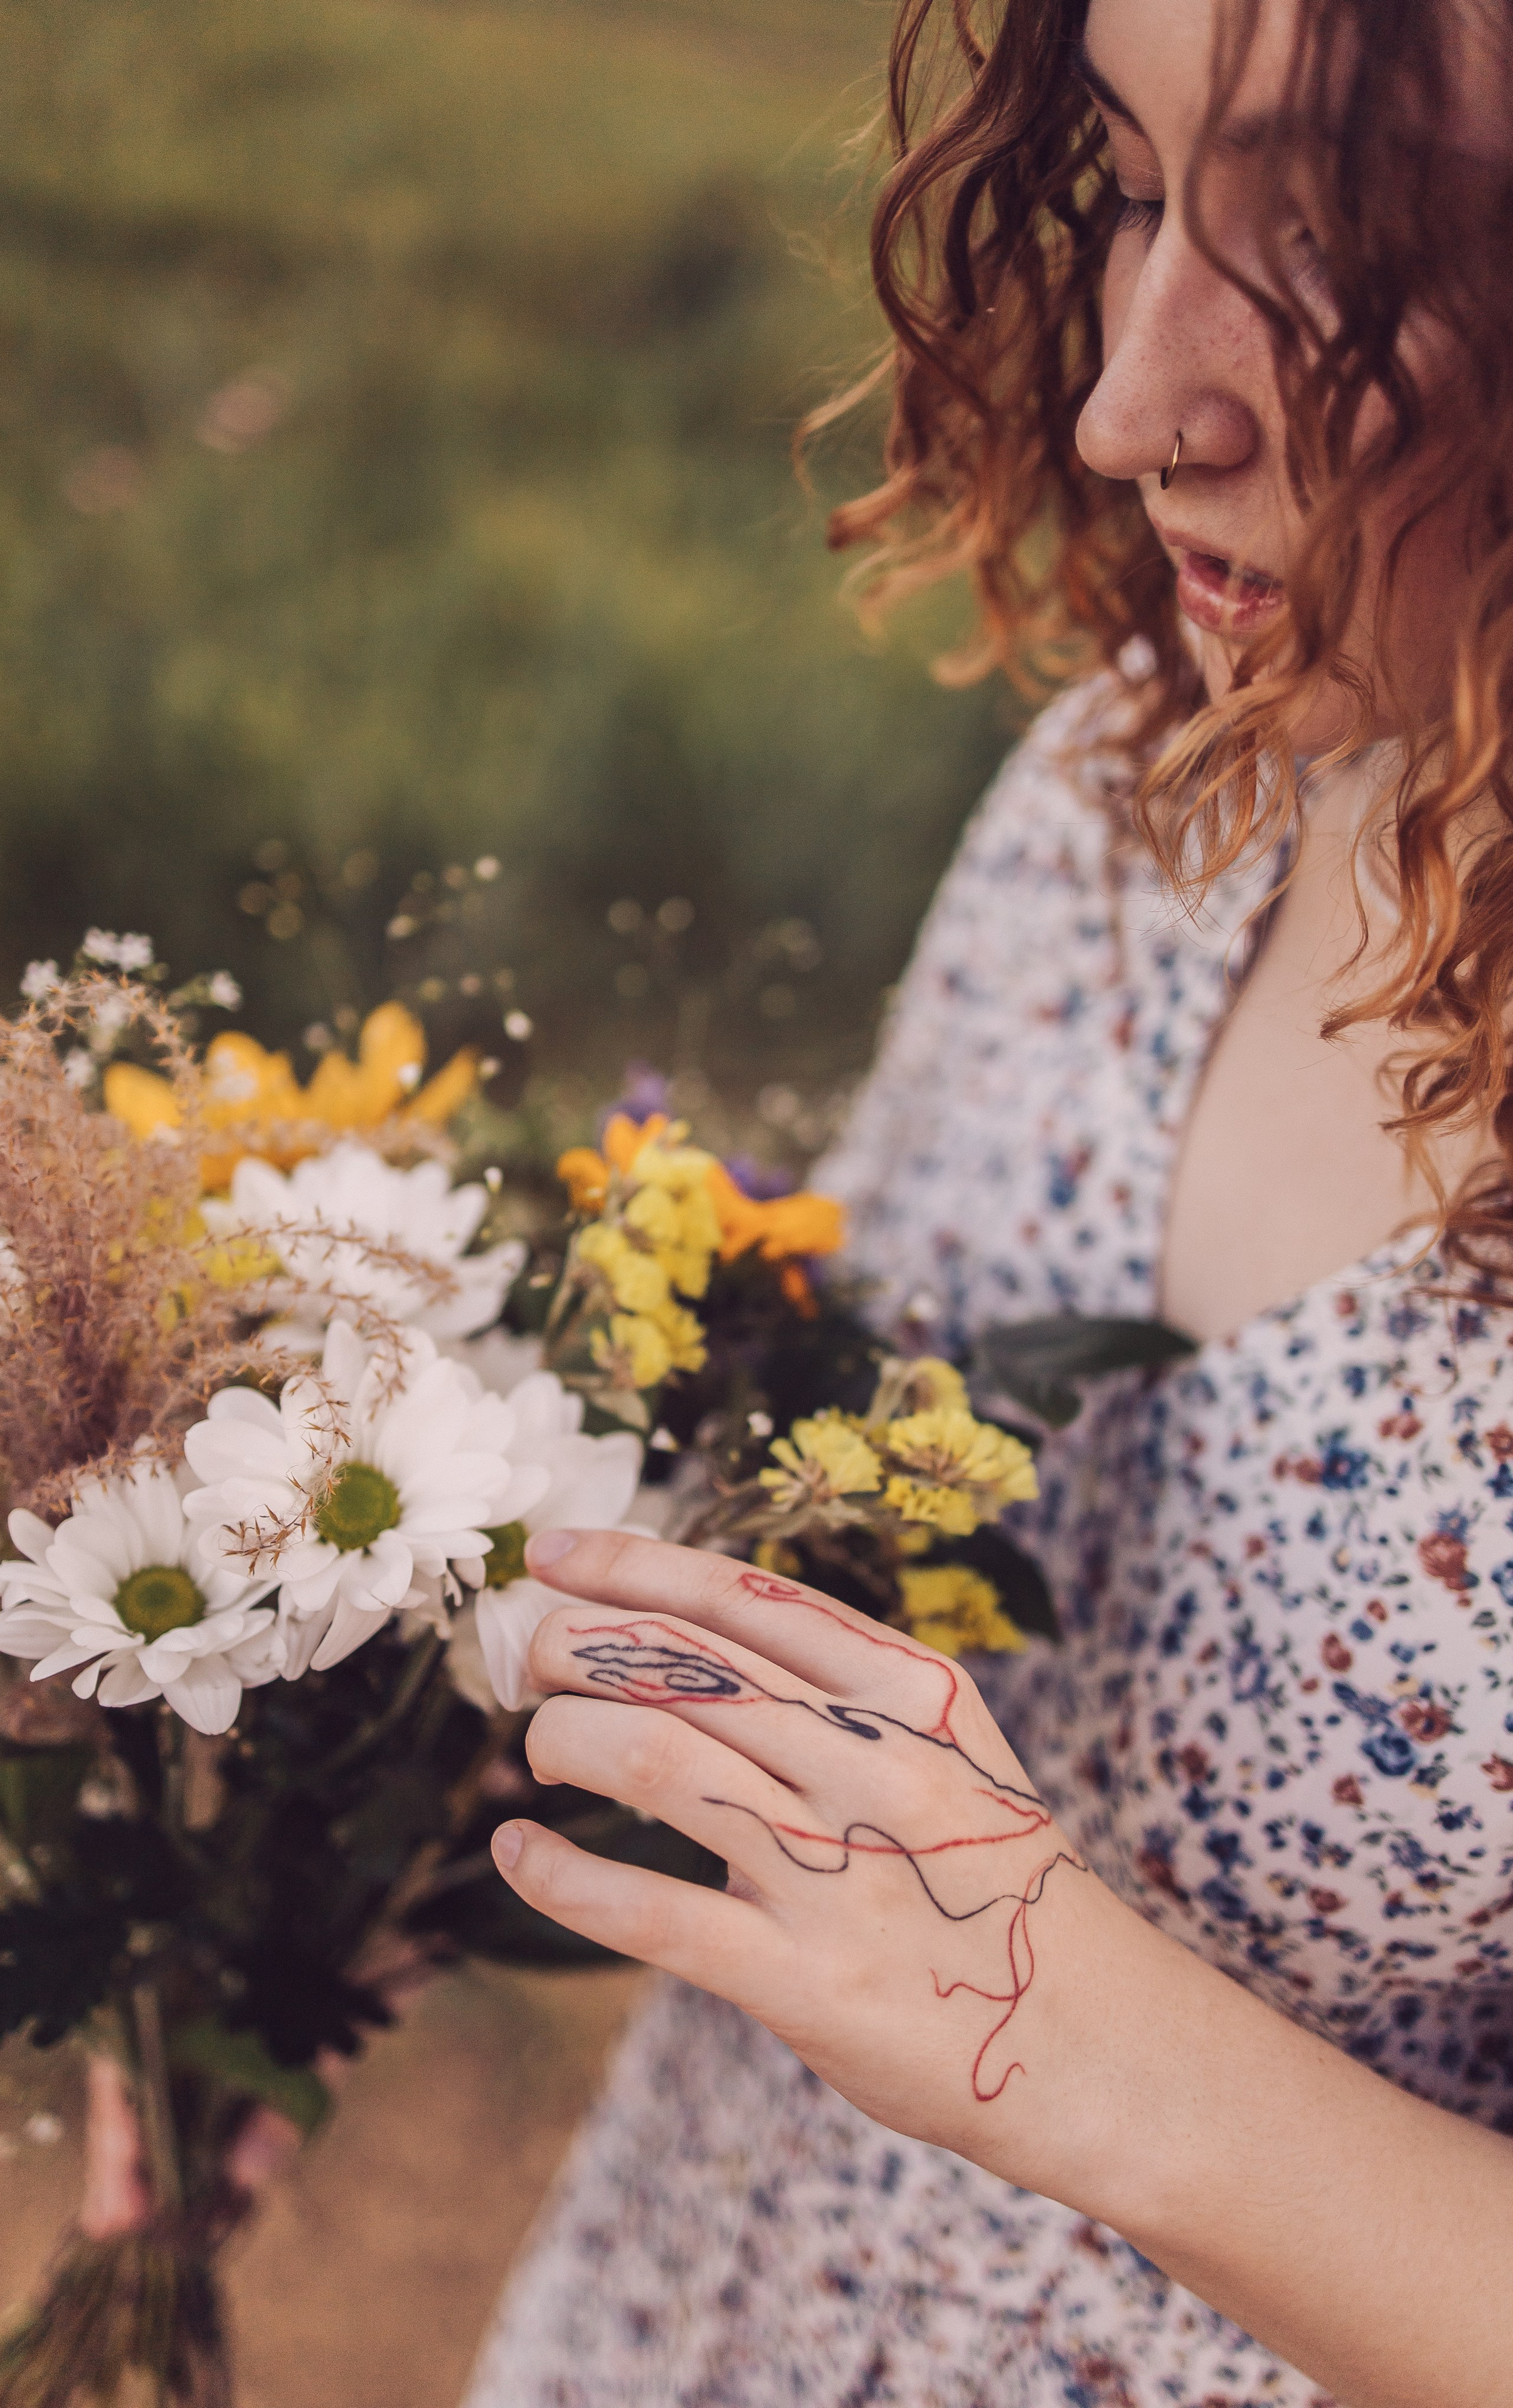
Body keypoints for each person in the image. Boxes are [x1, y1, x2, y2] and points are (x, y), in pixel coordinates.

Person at [464, 1, 1513, 2402]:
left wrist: (1084, 2053)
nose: (1129, 408)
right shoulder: (1145, 785)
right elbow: (825, 1477)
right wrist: (310, 1842)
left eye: (1342, 241)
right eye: (1136, 192)